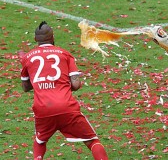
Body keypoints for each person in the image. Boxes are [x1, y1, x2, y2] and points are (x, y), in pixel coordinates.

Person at [20, 21, 108, 160]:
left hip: (43, 109)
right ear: (53, 37)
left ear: (35, 39)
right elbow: (76, 84)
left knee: (40, 141)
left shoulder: (28, 57)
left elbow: (25, 87)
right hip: (67, 108)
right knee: (92, 141)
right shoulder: (64, 54)